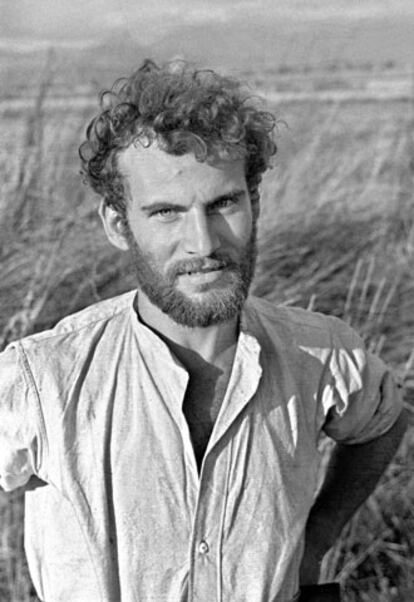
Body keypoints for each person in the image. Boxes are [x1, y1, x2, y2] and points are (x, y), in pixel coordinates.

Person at [0, 59, 406, 602]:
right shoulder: (41, 378)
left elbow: (382, 421)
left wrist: (319, 535)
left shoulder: (322, 353)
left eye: (224, 204)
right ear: (119, 225)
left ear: (253, 202)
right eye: (166, 212)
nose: (204, 244)